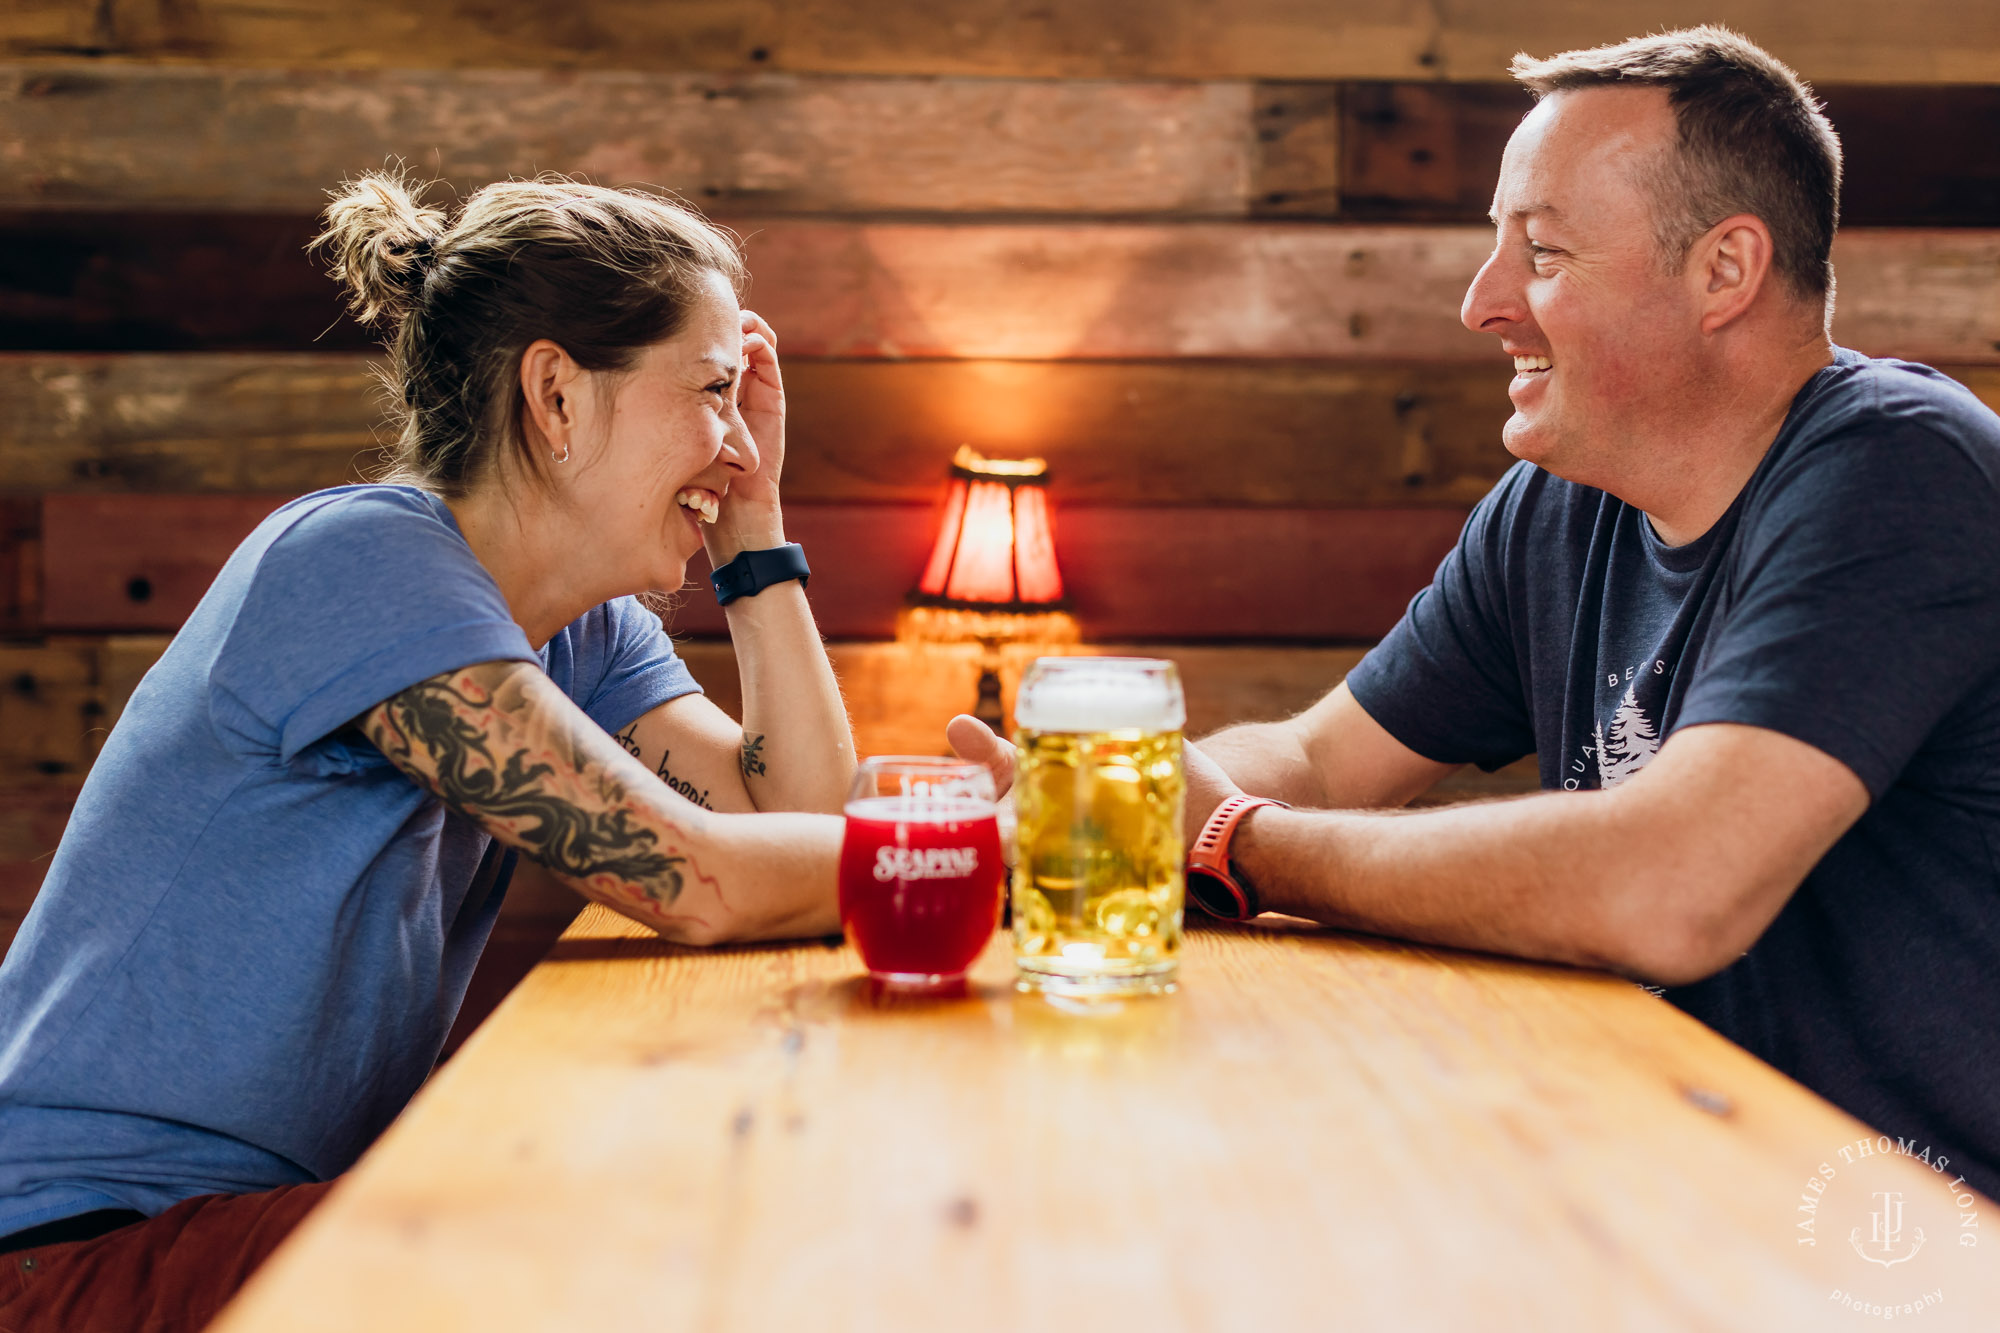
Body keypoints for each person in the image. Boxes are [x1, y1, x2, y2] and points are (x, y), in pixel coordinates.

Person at [980, 28, 2000, 1199]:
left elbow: (1671, 889)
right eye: (1493, 248)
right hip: (1664, 1176)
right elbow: (1316, 753)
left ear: (1723, 271)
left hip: (1910, 1244)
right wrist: (1107, 809)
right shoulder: (1558, 508)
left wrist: (1231, 844)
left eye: (1543, 251)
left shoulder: (1901, 471)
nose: (1481, 304)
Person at [0, 174, 856, 1329]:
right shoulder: (364, 562)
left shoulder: (576, 631)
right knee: (627, 1233)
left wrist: (755, 529)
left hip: (250, 1217)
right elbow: (698, 881)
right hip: (80, 1252)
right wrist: (985, 846)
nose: (737, 439)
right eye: (712, 393)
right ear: (555, 395)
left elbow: (793, 816)